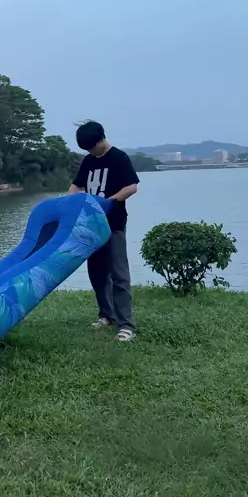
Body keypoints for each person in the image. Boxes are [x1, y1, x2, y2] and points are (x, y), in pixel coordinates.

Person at [69, 120, 139, 342]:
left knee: (119, 274)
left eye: (91, 147)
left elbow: (132, 187)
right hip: (92, 226)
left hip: (113, 223)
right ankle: (107, 315)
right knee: (97, 273)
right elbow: (76, 184)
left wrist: (110, 201)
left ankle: (126, 325)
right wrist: (70, 202)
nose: (90, 152)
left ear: (101, 140)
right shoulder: (89, 160)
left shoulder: (119, 158)